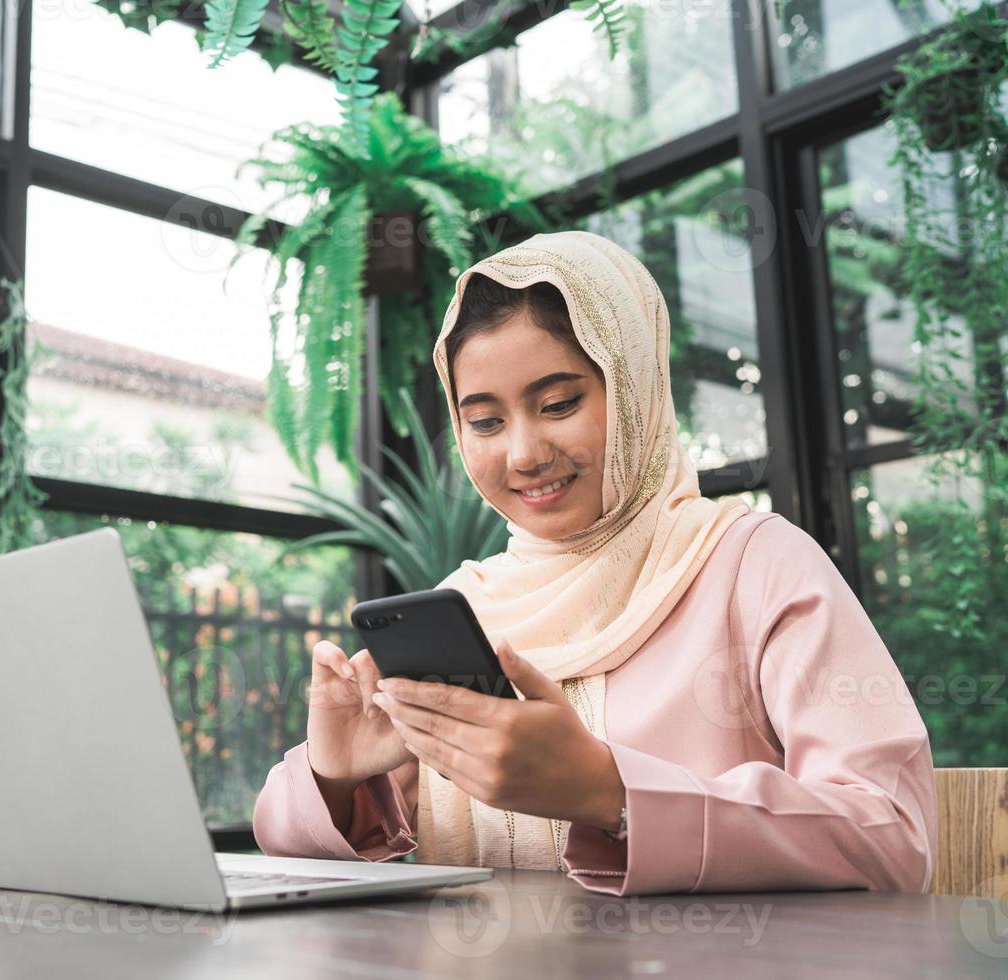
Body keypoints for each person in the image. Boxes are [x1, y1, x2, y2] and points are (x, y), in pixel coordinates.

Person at [252, 230, 937, 895]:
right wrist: (334, 779)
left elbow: (894, 838)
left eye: (558, 403)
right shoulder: (468, 605)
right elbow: (295, 858)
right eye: (486, 421)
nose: (523, 454)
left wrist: (612, 794)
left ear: (635, 387)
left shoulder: (754, 565)